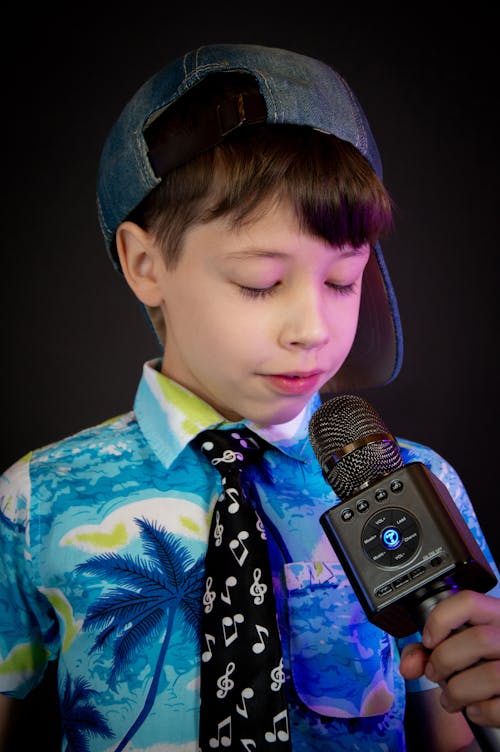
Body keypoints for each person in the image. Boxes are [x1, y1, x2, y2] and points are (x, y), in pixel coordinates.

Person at [0, 43, 499, 752]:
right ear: (146, 264)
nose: (314, 331)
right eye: (261, 282)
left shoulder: (419, 488)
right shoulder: (35, 502)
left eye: (343, 281)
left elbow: (455, 733)